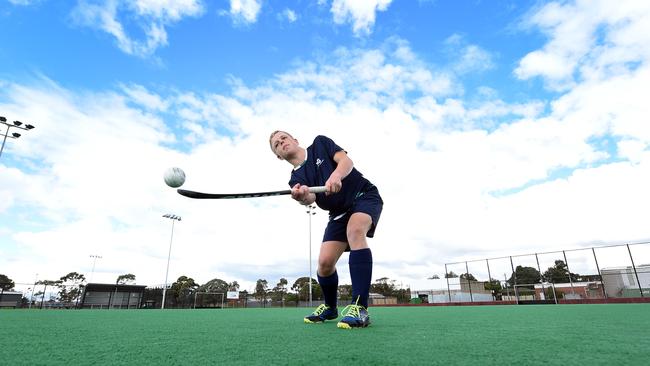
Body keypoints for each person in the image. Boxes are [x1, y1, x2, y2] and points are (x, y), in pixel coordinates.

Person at [269, 131, 383, 329]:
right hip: (337, 213)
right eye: (277, 144)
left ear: (295, 140)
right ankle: (330, 308)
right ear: (278, 156)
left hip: (363, 196)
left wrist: (336, 175)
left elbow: (346, 162)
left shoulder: (320, 144)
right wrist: (301, 196)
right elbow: (310, 199)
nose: (281, 143)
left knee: (355, 231)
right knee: (324, 264)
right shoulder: (296, 178)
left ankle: (360, 307)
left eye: (283, 138)